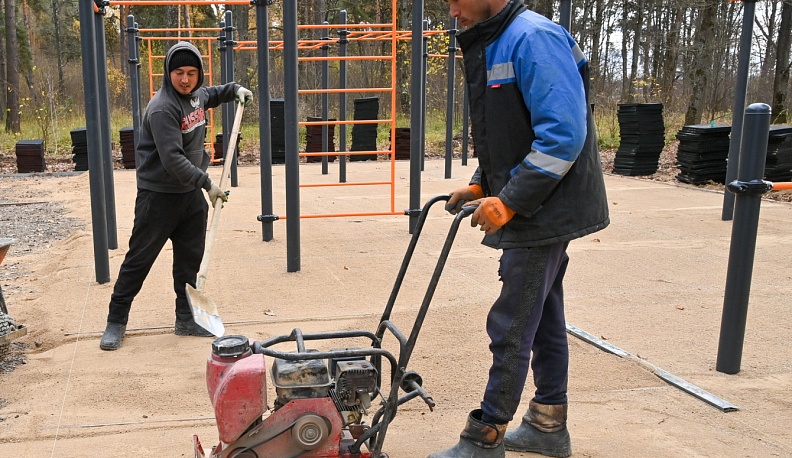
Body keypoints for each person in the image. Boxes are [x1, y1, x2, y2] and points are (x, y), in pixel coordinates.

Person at [429, 0, 609, 456]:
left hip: (544, 207)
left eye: (454, 0)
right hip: (537, 201)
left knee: (512, 321)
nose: (451, 11)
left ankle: (487, 435)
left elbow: (563, 135)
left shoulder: (534, 38)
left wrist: (509, 201)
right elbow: (509, 133)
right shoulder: (501, 39)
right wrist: (479, 184)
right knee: (542, 312)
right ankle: (548, 424)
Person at [100, 41, 253, 351]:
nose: (185, 79)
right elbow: (172, 159)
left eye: (192, 73)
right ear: (169, 73)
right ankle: (116, 320)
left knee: (189, 260)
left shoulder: (196, 96)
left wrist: (235, 90)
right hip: (158, 197)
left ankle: (185, 319)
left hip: (190, 198)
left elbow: (212, 94)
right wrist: (207, 184)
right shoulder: (161, 108)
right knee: (138, 260)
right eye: (179, 73)